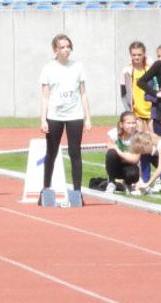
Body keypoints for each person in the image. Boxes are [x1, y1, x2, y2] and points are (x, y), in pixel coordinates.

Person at [40, 33, 92, 196]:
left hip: (75, 115)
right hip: (54, 115)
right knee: (52, 152)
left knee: (75, 152)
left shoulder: (78, 66)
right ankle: (46, 188)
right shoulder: (48, 68)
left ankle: (77, 191)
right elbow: (45, 96)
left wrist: (87, 117)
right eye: (62, 47)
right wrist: (43, 119)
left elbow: (83, 93)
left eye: (68, 46)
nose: (66, 50)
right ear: (55, 49)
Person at [104, 111, 149, 194]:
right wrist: (127, 156)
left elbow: (135, 159)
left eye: (133, 123)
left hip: (129, 167)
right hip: (116, 167)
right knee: (111, 153)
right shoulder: (113, 134)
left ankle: (128, 184)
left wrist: (119, 152)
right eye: (128, 123)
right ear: (121, 124)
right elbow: (110, 154)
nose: (131, 126)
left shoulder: (138, 137)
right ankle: (111, 182)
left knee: (133, 174)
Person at [121, 41, 152, 136]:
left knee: (157, 139)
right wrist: (129, 112)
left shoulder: (151, 68)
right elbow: (123, 93)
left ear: (144, 54)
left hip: (152, 110)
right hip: (136, 112)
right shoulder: (126, 71)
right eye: (134, 55)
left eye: (139, 54)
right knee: (138, 140)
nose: (137, 57)